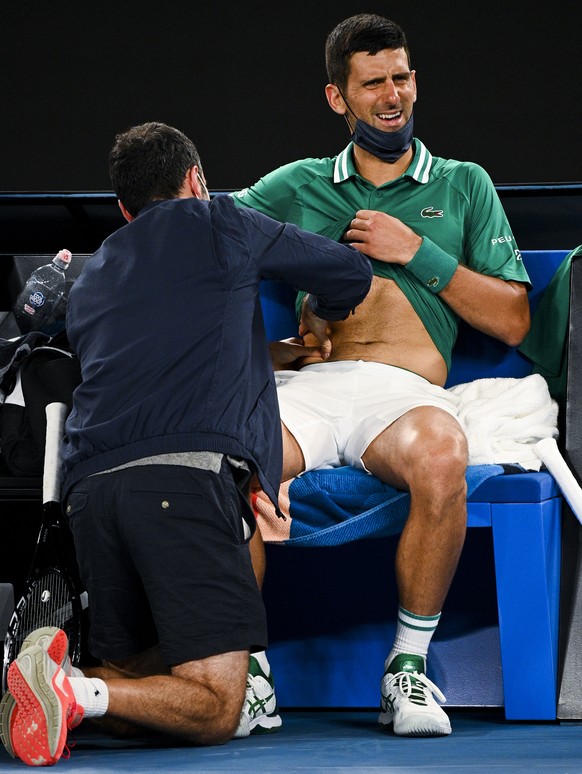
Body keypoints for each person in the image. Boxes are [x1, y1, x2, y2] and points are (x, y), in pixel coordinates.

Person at [0, 121, 373, 767]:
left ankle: (64, 686)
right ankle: (72, 688)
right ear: (197, 181)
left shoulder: (95, 274)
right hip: (177, 486)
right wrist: (321, 310)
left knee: (139, 682)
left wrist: (265, 354)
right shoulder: (222, 221)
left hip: (90, 494)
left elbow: (156, 360)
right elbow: (351, 273)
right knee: (213, 706)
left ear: (124, 208)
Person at [232, 13, 531, 737]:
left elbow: (515, 319)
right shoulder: (299, 185)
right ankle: (245, 673)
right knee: (228, 457)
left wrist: (414, 249)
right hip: (314, 389)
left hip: (405, 396)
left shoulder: (464, 184)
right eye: (374, 83)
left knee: (441, 455)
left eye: (402, 77)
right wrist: (268, 353)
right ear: (340, 98)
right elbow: (203, 253)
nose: (393, 95)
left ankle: (407, 673)